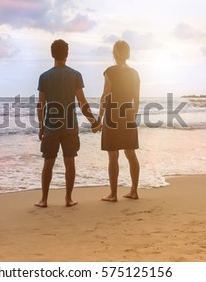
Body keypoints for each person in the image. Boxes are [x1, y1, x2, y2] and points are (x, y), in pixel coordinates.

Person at [35, 39, 100, 208]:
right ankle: (68, 198)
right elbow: (82, 102)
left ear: (52, 54)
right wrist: (93, 121)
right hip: (70, 126)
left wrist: (41, 126)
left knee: (48, 161)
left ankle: (44, 200)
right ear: (67, 54)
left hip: (51, 126)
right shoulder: (75, 75)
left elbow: (41, 104)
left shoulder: (44, 77)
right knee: (69, 162)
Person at [98, 40, 140, 202]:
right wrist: (132, 117)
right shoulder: (135, 73)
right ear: (128, 54)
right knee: (130, 153)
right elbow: (136, 99)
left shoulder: (110, 71)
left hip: (113, 115)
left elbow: (105, 96)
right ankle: (134, 191)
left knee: (113, 155)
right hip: (128, 113)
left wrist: (99, 118)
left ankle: (113, 194)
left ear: (114, 54)